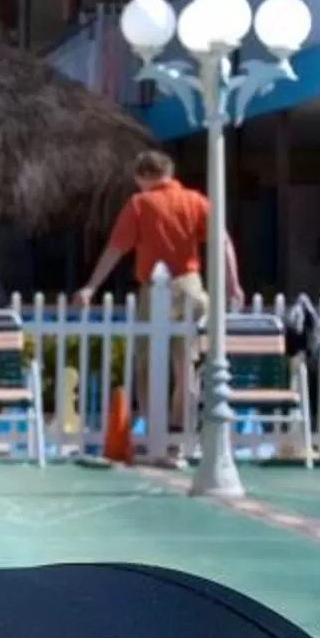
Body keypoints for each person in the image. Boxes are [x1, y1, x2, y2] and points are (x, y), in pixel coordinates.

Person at [78, 152, 241, 453]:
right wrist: (234, 284)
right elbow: (223, 241)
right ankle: (179, 430)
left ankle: (156, 429)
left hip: (155, 288)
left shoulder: (140, 204)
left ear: (143, 177)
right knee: (185, 365)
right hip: (191, 286)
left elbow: (115, 248)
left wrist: (91, 286)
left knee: (147, 362)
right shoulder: (195, 200)